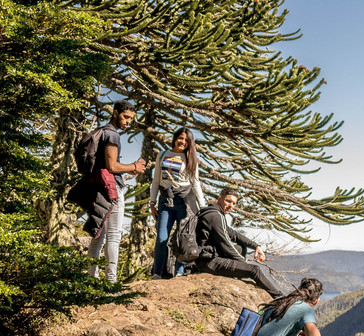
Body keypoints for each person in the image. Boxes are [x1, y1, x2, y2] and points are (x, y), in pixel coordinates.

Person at [87, 99, 146, 284]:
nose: (128, 122)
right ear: (115, 113)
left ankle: (91, 279)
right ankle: (110, 283)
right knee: (113, 235)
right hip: (111, 189)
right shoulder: (112, 135)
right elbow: (112, 166)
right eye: (125, 117)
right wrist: (133, 166)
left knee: (98, 236)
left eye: (131, 119)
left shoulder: (102, 131)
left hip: (98, 187)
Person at [194, 187, 284, 297]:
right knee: (254, 270)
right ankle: (279, 296)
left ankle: (237, 274)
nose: (231, 205)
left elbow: (234, 234)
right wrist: (243, 263)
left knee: (241, 248)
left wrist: (256, 246)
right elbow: (225, 244)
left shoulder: (214, 213)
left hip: (210, 255)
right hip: (208, 261)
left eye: (234, 203)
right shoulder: (215, 216)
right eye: (228, 201)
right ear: (219, 199)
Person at [149, 127, 204, 278]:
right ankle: (157, 273)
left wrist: (202, 205)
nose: (183, 142)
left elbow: (195, 182)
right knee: (162, 238)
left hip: (185, 201)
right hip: (165, 200)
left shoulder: (190, 158)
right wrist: (152, 203)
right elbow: (156, 181)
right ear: (174, 138)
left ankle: (180, 272)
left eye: (187, 140)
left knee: (184, 237)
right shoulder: (162, 155)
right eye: (180, 138)